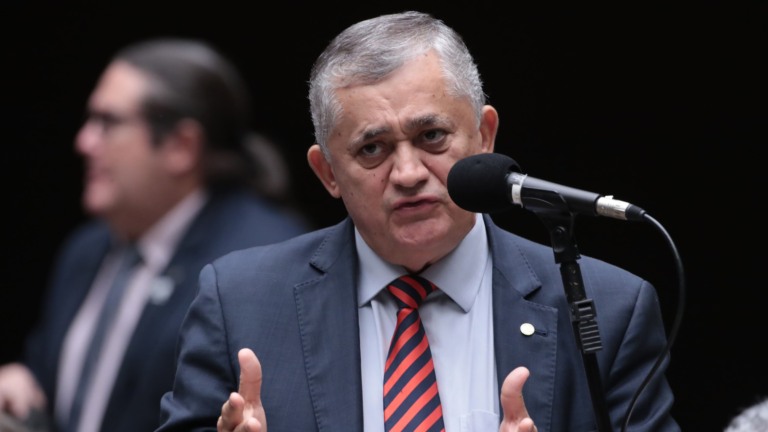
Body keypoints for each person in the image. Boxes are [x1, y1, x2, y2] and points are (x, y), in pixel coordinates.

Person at [156, 11, 680, 432]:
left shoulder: (609, 309)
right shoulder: (240, 301)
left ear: (485, 136)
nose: (407, 174)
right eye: (372, 148)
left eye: (432, 137)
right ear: (328, 173)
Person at [0, 38, 310, 432]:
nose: (84, 142)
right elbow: (52, 377)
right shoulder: (87, 248)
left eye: (107, 123)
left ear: (181, 146)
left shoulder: (259, 262)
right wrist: (22, 381)